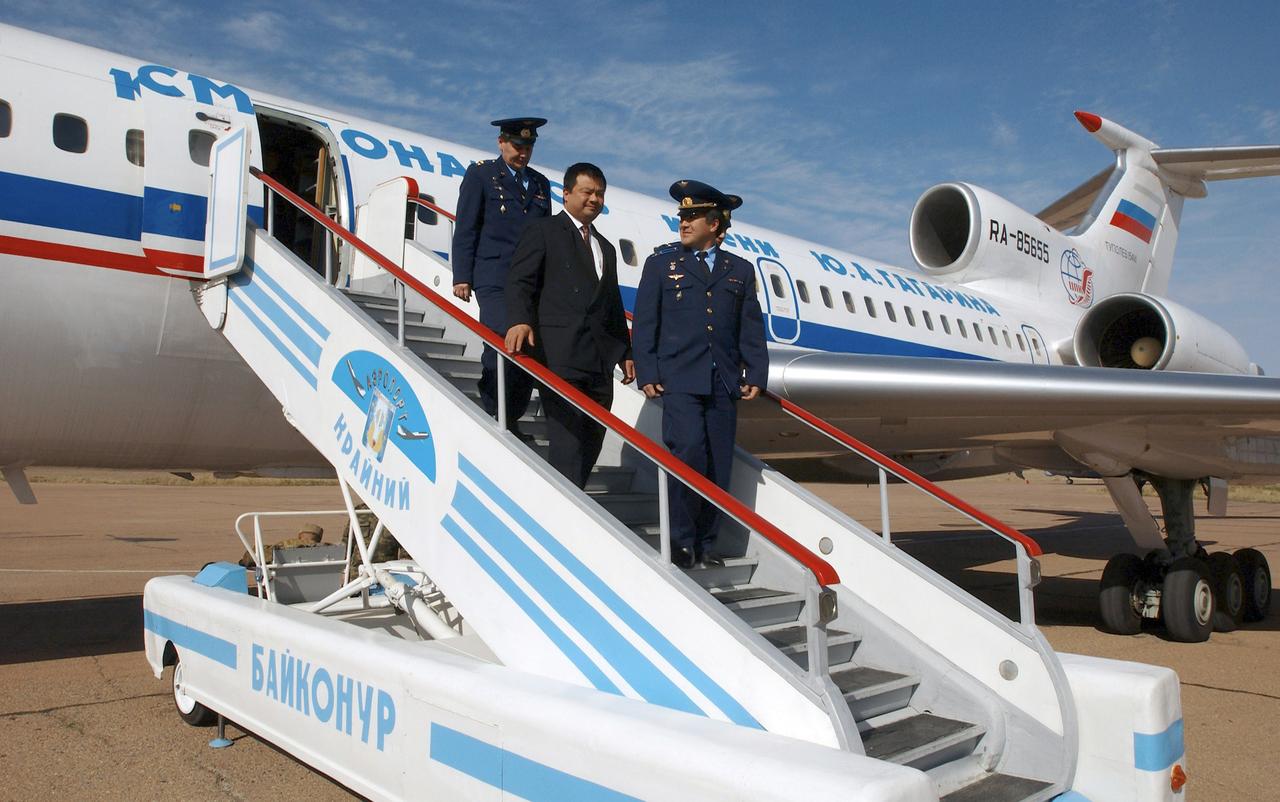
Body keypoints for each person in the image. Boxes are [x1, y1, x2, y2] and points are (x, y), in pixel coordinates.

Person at [632, 181, 768, 569]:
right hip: (680, 380)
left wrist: (755, 371)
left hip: (723, 383)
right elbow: (645, 323)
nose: (684, 222)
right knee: (688, 454)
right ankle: (681, 541)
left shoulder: (739, 271)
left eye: (693, 216)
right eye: (683, 216)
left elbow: (749, 327)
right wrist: (648, 370)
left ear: (716, 223)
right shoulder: (662, 264)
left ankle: (708, 544)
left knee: (717, 466)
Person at [505, 163, 635, 487]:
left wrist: (625, 352)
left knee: (592, 441)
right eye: (587, 191)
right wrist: (520, 320)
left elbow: (612, 305)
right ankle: (565, 517)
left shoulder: (605, 247)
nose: (594, 199)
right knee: (568, 445)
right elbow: (520, 281)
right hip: (560, 356)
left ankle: (571, 501)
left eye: (600, 194)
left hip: (598, 363)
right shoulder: (544, 231)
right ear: (566, 194)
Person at [451, 117, 552, 437]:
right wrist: (462, 275)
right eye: (517, 146)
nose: (523, 153)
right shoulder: (481, 174)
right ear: (501, 143)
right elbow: (467, 226)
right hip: (492, 276)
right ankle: (495, 408)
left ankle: (511, 416)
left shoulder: (540, 184)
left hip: (530, 282)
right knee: (500, 341)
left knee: (527, 351)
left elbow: (544, 237)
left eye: (529, 147)